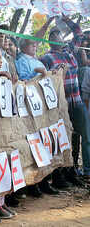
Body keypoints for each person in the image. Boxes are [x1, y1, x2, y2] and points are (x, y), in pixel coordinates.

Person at [40, 15, 90, 187]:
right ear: (49, 42)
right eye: (52, 37)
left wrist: (67, 20)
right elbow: (42, 77)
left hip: (77, 102)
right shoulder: (47, 58)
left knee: (79, 135)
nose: (56, 38)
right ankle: (61, 174)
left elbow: (79, 34)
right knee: (63, 138)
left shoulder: (70, 52)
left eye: (58, 35)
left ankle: (74, 169)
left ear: (62, 38)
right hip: (61, 106)